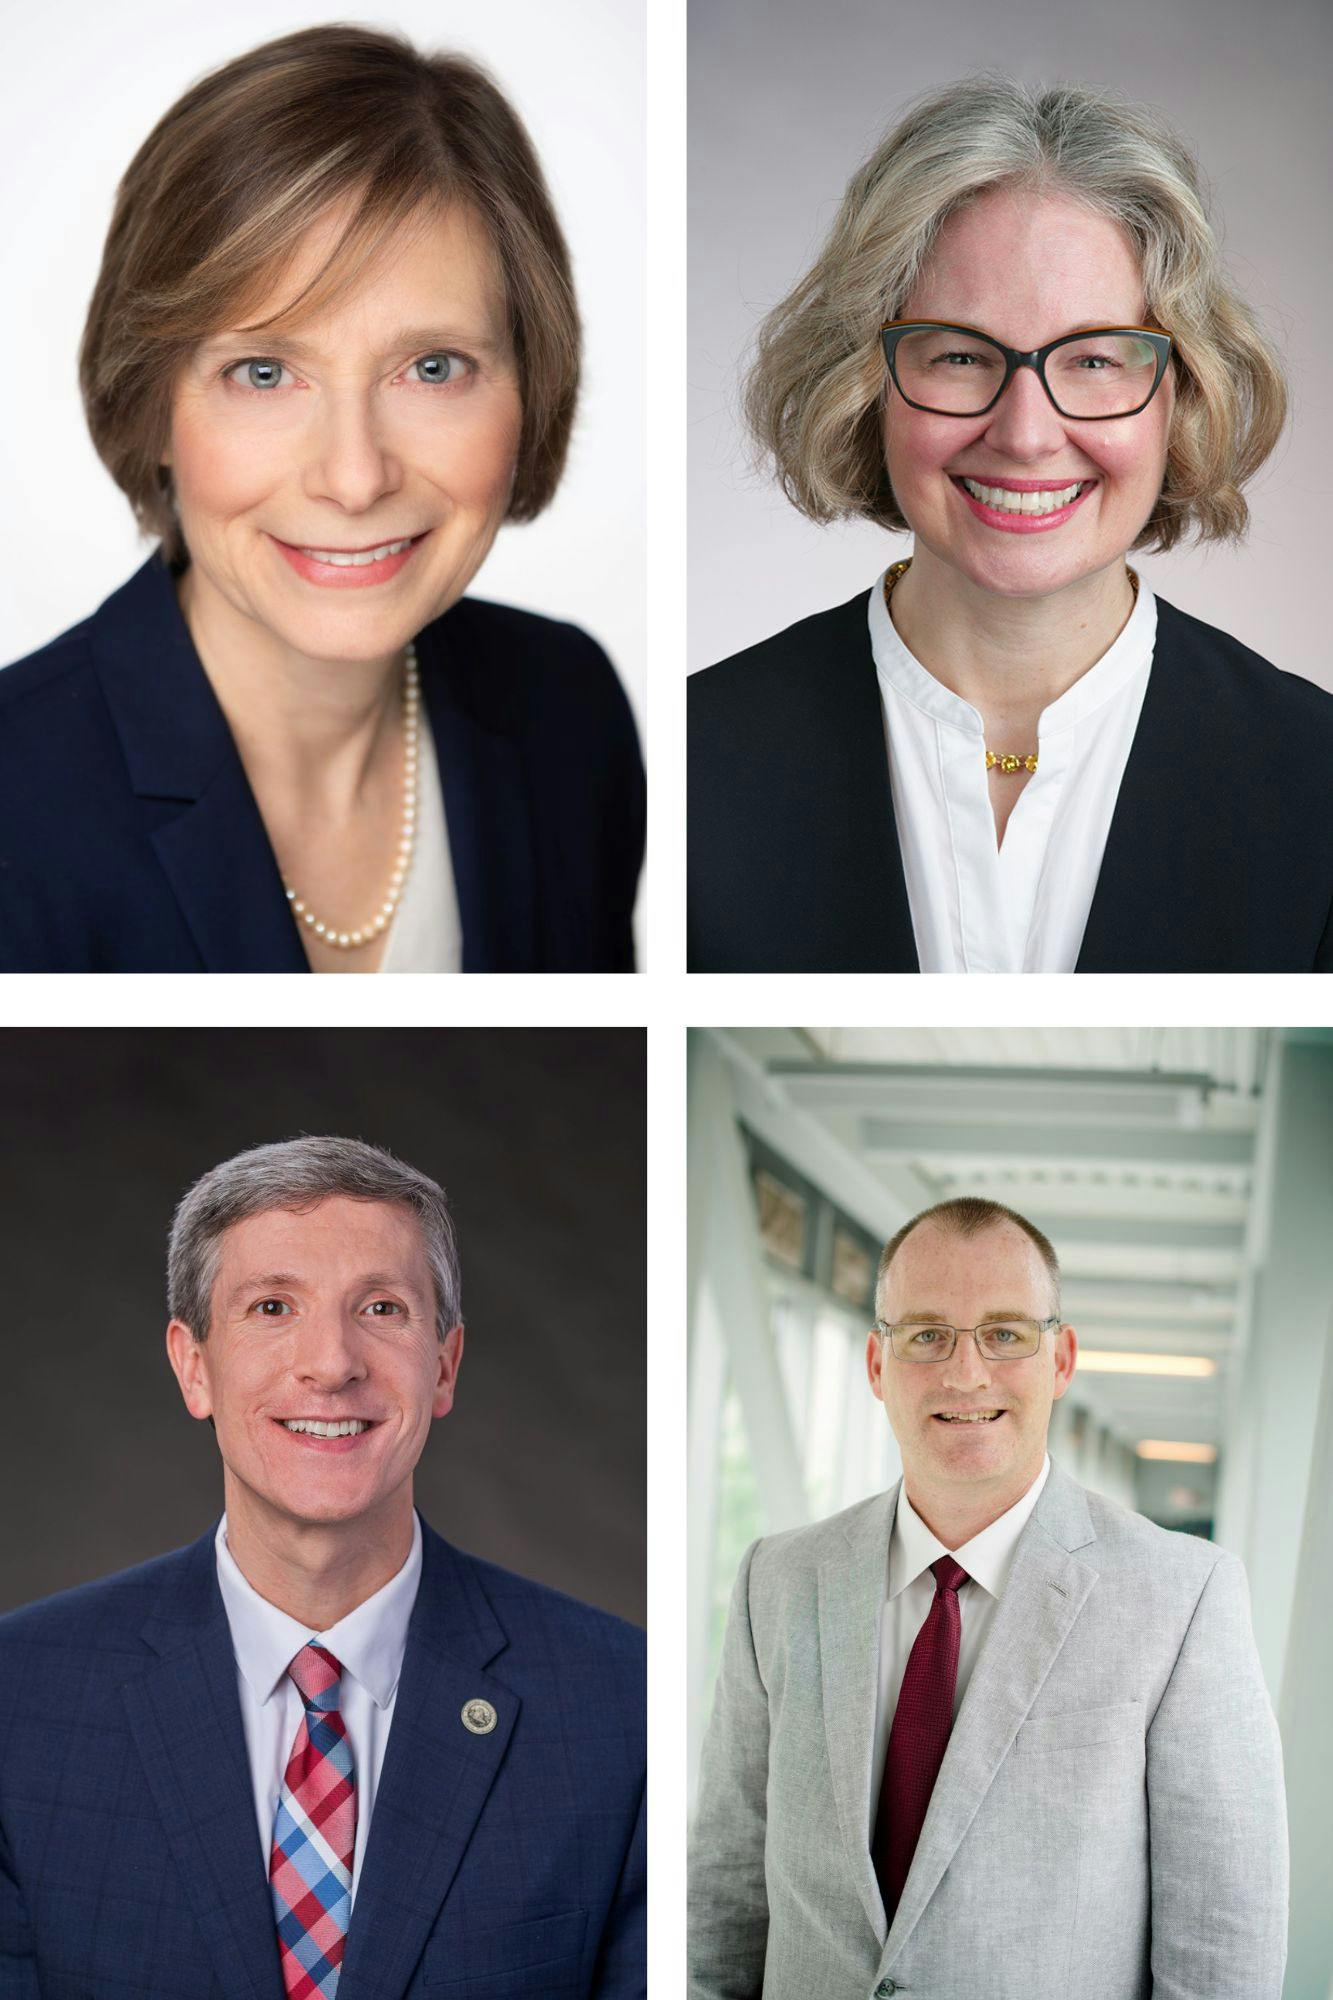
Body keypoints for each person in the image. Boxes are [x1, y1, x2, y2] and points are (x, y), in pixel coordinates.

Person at [0, 26, 643, 972]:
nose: (354, 477)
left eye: (432, 367)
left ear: (531, 384)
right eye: (263, 372)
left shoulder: (566, 708)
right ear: (151, 406)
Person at [688, 76, 1333, 972]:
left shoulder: (1317, 777)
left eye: (1094, 359)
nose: (1025, 435)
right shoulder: (683, 761)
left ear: (1182, 391)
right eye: (959, 356)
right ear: (864, 383)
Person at [0, 1137, 645, 1999]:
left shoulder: (621, 1704)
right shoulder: (20, 1697)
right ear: (194, 1367)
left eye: (380, 1308)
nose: (332, 1364)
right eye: (272, 1307)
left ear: (444, 1365)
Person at [689, 1195, 1287, 1999]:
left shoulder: (1181, 1598)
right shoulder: (777, 1580)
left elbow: (1222, 1946)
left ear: (1061, 1360)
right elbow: (724, 1892)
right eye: (925, 1335)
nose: (965, 1373)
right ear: (876, 1364)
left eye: (1004, 1334)